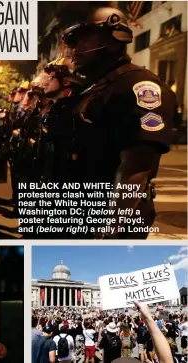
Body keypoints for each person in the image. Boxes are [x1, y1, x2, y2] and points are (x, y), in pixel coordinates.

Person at [62, 7, 176, 239]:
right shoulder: (97, 87)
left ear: (114, 40)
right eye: (73, 42)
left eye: (84, 39)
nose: (75, 49)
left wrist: (108, 230)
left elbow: (136, 167)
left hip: (110, 220)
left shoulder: (139, 86)